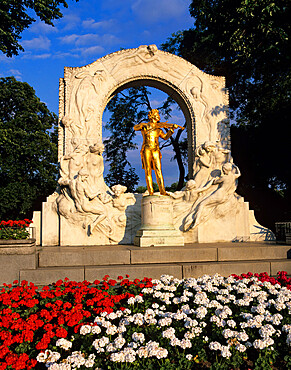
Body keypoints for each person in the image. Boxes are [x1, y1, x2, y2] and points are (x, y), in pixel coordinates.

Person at [134, 109, 180, 196]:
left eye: (158, 114)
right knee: (148, 171)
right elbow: (135, 127)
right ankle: (150, 191)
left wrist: (172, 130)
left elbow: (165, 137)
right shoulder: (145, 126)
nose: (158, 116)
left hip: (155, 150)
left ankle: (162, 190)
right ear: (152, 116)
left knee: (158, 170)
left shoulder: (158, 130)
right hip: (147, 149)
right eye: (156, 114)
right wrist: (143, 125)